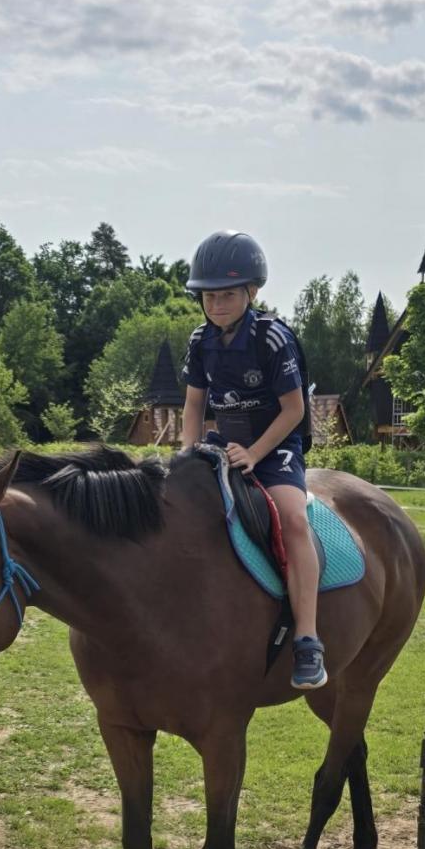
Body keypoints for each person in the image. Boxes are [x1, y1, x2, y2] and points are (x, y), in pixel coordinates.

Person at [181, 230, 327, 690]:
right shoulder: (200, 340)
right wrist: (187, 454)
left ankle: (307, 639)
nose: (217, 304)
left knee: (292, 518)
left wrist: (256, 453)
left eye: (227, 294)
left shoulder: (272, 338)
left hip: (276, 448)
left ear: (252, 292)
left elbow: (294, 410)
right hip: (224, 445)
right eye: (209, 295)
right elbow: (192, 406)